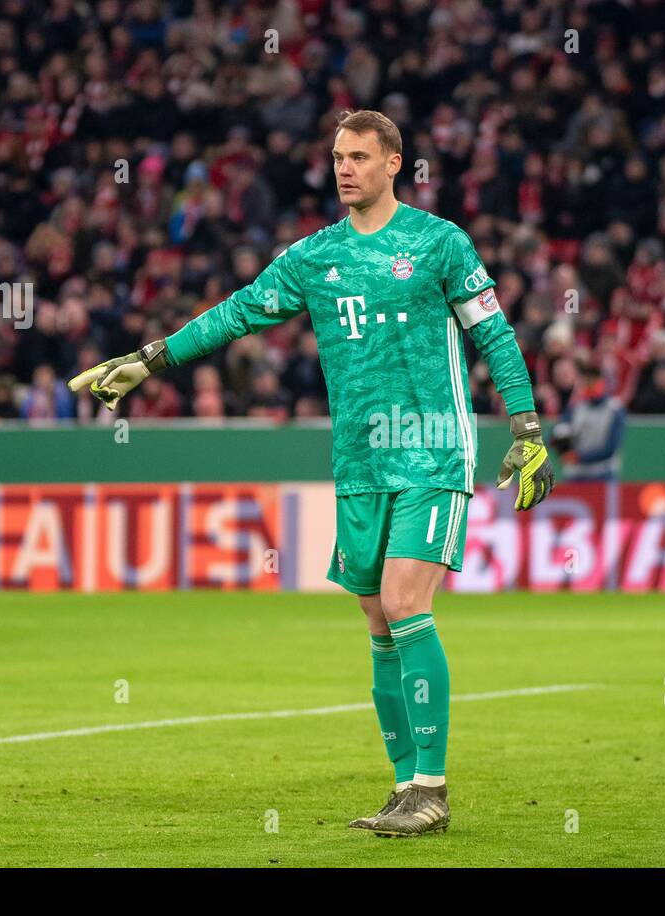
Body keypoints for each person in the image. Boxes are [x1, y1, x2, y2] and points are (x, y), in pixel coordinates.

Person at [68, 110, 555, 837]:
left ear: (395, 163)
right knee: (375, 616)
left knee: (402, 599)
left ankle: (433, 788)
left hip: (432, 448)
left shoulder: (438, 243)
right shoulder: (312, 258)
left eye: (359, 156)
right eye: (337, 157)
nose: (344, 168)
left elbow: (493, 330)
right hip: (359, 461)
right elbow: (234, 314)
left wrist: (525, 425)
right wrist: (148, 359)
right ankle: (403, 786)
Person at [553, 364, 626, 480]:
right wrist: (563, 450)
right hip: (577, 474)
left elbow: (611, 448)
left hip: (603, 473)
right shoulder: (576, 407)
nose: (590, 384)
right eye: (586, 380)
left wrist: (579, 457)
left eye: (593, 380)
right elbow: (554, 433)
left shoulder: (614, 409)